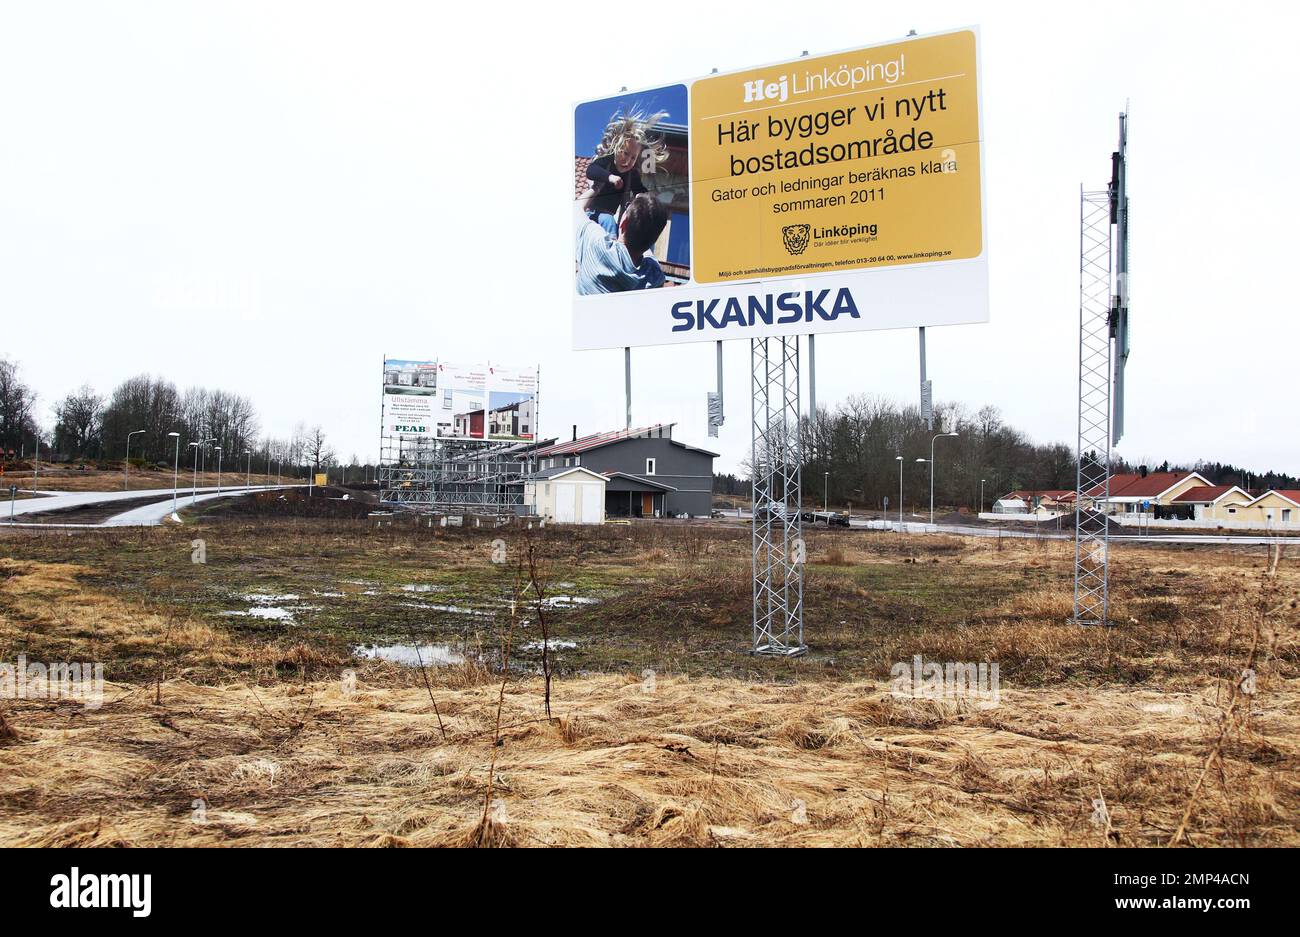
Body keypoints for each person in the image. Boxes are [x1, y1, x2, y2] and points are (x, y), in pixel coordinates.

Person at [584, 109, 668, 237]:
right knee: (609, 222)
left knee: (614, 226)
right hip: (592, 212)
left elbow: (639, 189)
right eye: (625, 153)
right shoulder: (608, 161)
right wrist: (610, 177)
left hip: (609, 216)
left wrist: (642, 196)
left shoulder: (631, 174)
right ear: (617, 149)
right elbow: (591, 170)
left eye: (633, 157)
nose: (628, 160)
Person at [575, 192, 669, 294]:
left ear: (624, 223)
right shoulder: (654, 277)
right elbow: (648, 248)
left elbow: (576, 207)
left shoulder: (597, 244)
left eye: (627, 206)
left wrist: (596, 188)